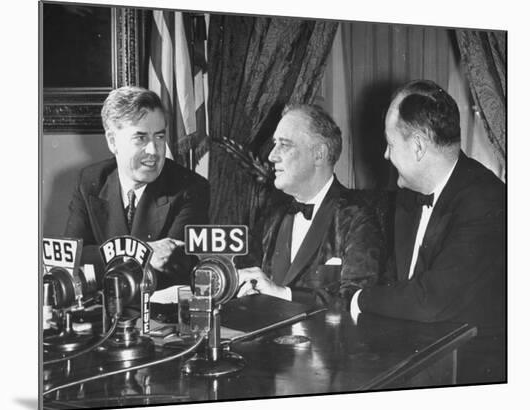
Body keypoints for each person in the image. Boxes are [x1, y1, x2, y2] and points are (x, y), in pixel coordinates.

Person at [349, 79, 506, 383]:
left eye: (390, 144)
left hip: (473, 371)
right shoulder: (408, 194)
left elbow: (432, 300)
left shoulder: (487, 199)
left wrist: (358, 300)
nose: (385, 155)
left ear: (419, 146)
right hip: (412, 357)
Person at [237, 104, 385, 306]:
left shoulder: (358, 217)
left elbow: (357, 300)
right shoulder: (271, 216)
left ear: (319, 154)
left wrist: (283, 294)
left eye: (285, 144)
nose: (271, 156)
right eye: (274, 144)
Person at [65, 86, 209, 289]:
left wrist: (106, 256)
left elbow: (173, 266)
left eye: (159, 136)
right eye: (140, 138)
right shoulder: (90, 181)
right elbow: (73, 257)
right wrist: (143, 251)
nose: (153, 150)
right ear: (113, 141)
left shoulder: (190, 187)